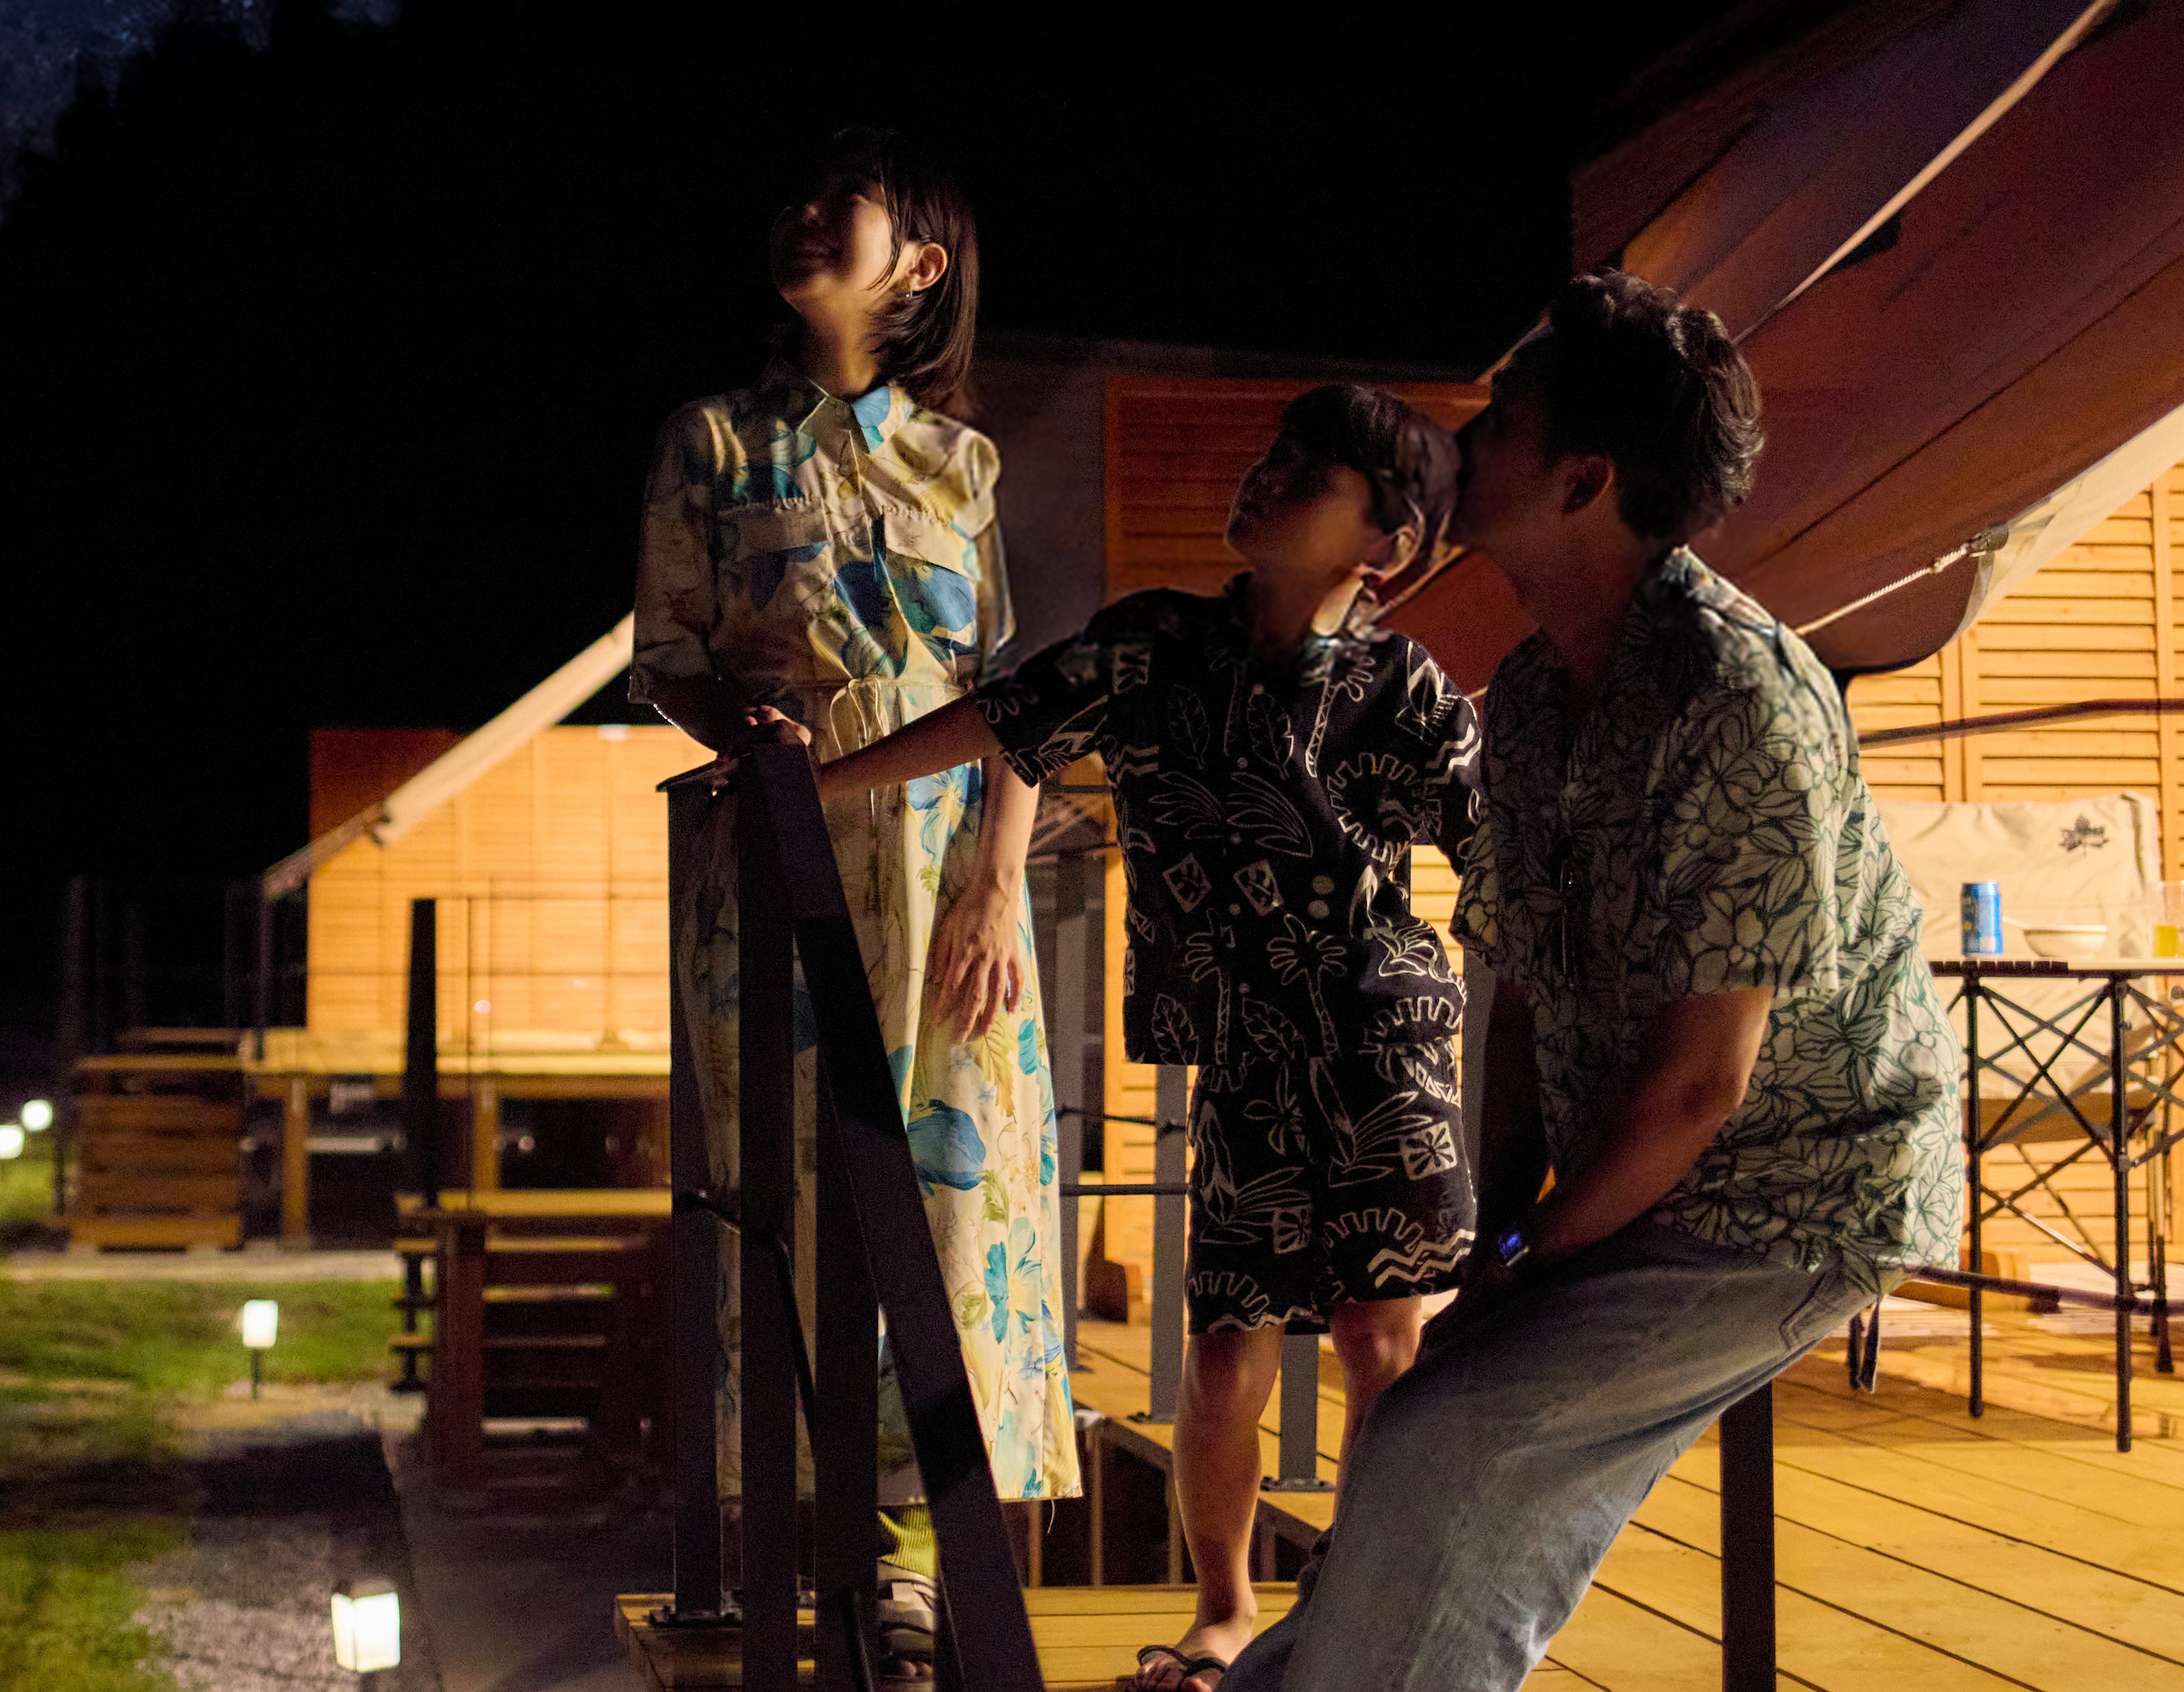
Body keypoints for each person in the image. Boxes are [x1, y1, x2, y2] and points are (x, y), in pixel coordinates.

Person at [1217, 271, 1958, 1692]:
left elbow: (1704, 1082)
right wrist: (1487, 1231)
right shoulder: (1541, 695)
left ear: (1583, 482)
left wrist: (1531, 1260)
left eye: (1503, 418)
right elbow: (1517, 987)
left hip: (1794, 1193)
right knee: (1428, 1425)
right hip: (1649, 1176)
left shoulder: (1740, 700)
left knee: (1459, 1440)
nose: (1466, 437)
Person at [820, 384, 1483, 1692]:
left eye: (1309, 474)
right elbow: (1005, 721)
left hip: (1385, 1040)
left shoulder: (1406, 689)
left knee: (1381, 1336)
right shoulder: (1154, 649)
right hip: (1245, 1042)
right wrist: (811, 780)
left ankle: (1356, 1608)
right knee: (1227, 1339)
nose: (1266, 474)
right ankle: (1224, 1611)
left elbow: (1507, 862)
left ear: (1384, 543)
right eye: (1276, 452)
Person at [633, 131, 1078, 1683]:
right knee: (807, 1201)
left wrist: (1000, 884)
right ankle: (863, 1561)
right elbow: (668, 652)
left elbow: (1020, 693)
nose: (805, 216)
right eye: (798, 197)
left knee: (961, 1212)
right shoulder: (713, 441)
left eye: (848, 208)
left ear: (922, 268)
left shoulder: (966, 465)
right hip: (784, 862)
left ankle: (962, 1559)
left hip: (950, 865)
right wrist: (739, 738)